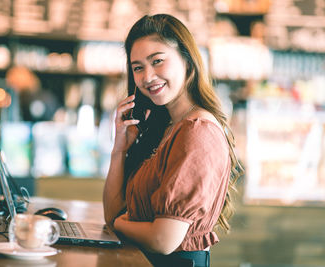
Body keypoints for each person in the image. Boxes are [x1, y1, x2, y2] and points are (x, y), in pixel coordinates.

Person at [103, 14, 243, 267]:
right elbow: (112, 212)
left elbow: (163, 240)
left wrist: (120, 223)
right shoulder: (167, 127)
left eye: (157, 61)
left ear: (187, 60)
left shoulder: (198, 131)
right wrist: (119, 149)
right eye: (138, 67)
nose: (147, 77)